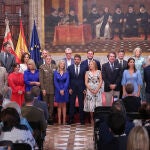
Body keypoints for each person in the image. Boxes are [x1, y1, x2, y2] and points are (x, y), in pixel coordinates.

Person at [67, 54, 86, 125]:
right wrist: (69, 88)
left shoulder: (84, 67)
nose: (76, 60)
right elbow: (68, 79)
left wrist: (85, 88)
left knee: (81, 105)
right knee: (71, 104)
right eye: (75, 59)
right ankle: (71, 119)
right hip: (72, 89)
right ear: (73, 60)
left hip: (81, 89)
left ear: (80, 60)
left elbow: (85, 79)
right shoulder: (70, 67)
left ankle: (82, 120)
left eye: (78, 59)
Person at [39, 55, 57, 124]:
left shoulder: (55, 66)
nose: (48, 60)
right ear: (45, 59)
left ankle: (50, 118)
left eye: (50, 59)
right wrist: (43, 89)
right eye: (47, 59)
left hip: (52, 88)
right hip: (45, 89)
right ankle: (45, 118)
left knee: (52, 105)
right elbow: (41, 79)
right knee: (45, 104)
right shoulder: (42, 67)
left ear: (51, 59)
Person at [54, 60, 69, 125]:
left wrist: (63, 89)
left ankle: (64, 120)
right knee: (59, 106)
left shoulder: (67, 72)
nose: (62, 65)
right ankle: (59, 120)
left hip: (65, 90)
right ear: (59, 64)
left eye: (63, 64)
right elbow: (55, 82)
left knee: (64, 105)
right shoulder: (55, 72)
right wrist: (59, 90)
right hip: (58, 90)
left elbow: (67, 82)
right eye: (61, 64)